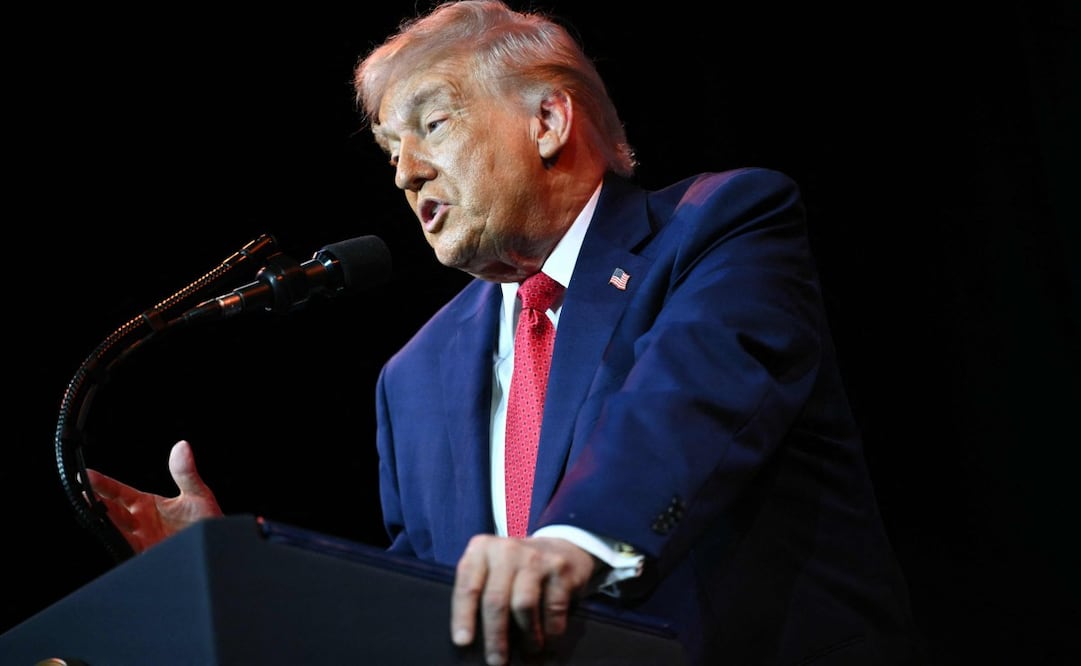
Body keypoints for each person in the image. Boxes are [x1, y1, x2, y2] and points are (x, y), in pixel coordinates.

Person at [85, 1, 926, 664]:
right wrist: (236, 573)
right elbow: (424, 608)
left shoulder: (719, 227)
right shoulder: (412, 377)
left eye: (432, 124)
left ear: (548, 120)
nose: (405, 170)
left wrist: (569, 543)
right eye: (388, 149)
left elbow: (687, 405)